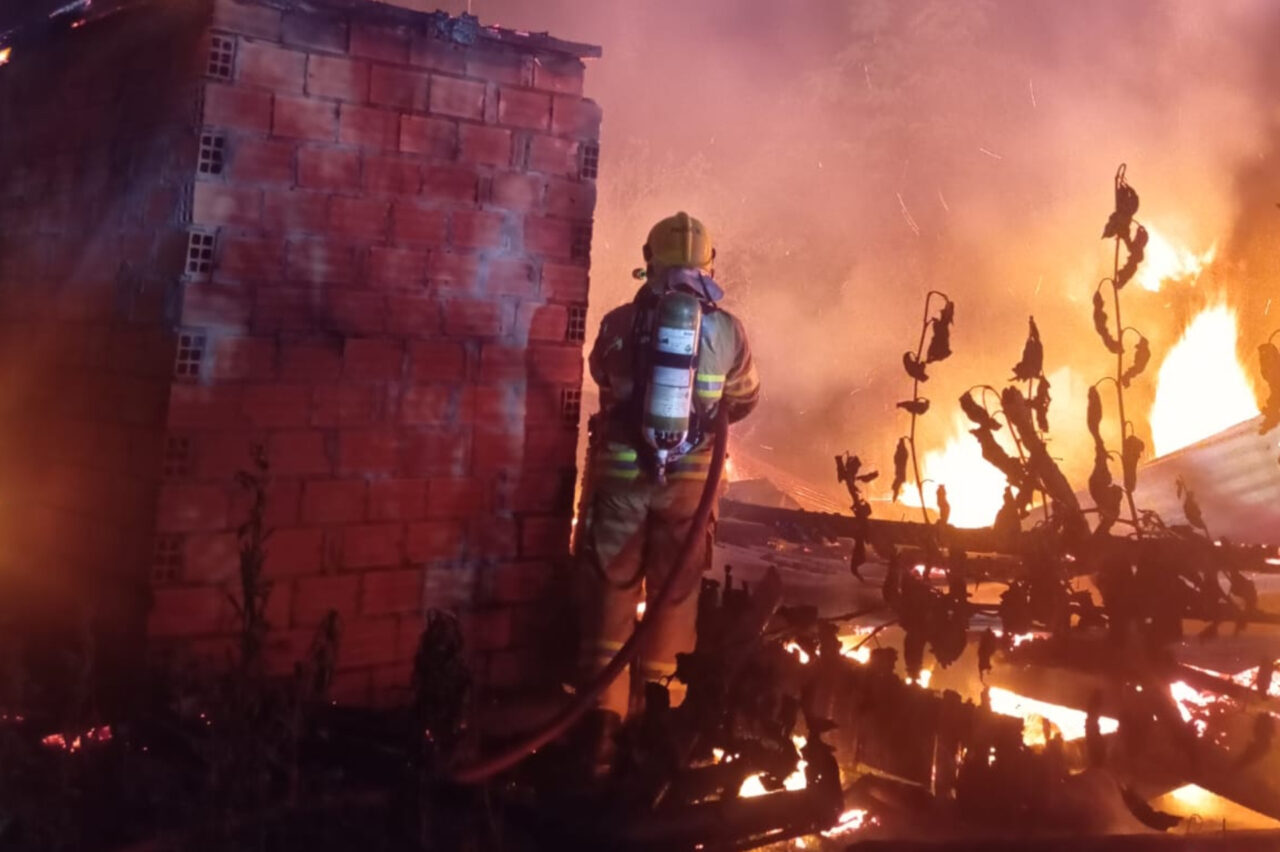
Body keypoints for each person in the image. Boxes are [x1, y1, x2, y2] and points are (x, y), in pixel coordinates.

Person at [574, 211, 760, 772]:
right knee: (673, 598)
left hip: (621, 480)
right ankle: (659, 729)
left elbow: (603, 377)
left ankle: (599, 735)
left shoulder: (617, 322)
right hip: (689, 485)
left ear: (648, 261)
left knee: (611, 593)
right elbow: (746, 398)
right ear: (708, 265)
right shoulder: (727, 330)